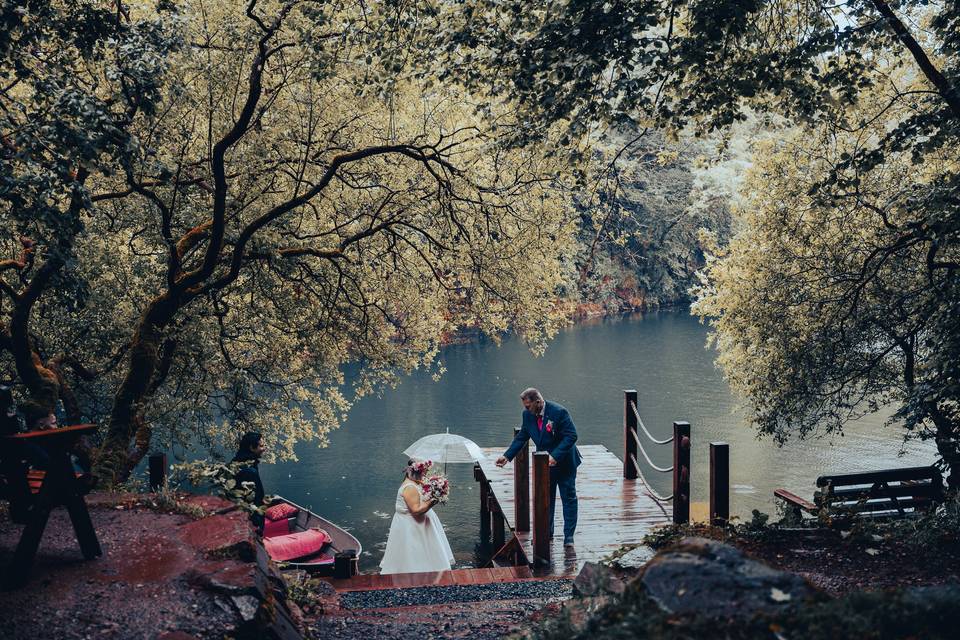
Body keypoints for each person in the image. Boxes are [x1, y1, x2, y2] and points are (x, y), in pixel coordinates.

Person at [496, 388, 582, 547]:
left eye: (528, 405)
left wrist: (555, 456)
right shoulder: (527, 415)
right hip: (543, 465)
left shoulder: (559, 412)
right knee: (545, 498)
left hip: (565, 463)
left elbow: (572, 435)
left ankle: (568, 536)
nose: (525, 409)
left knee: (568, 498)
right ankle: (546, 532)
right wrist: (507, 456)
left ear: (538, 402)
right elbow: (523, 436)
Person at [379, 459, 454, 574]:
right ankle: (417, 574)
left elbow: (423, 490)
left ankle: (427, 572)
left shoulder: (415, 482)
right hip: (412, 526)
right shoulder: (409, 487)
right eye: (423, 472)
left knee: (424, 550)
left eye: (425, 471)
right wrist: (434, 500)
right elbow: (416, 510)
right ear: (414, 472)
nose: (424, 474)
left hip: (418, 524)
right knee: (415, 551)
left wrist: (438, 487)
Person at [232, 431, 266, 528]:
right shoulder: (249, 471)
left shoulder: (236, 462)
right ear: (251, 447)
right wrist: (258, 527)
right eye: (261, 446)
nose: (264, 449)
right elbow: (254, 501)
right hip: (249, 525)